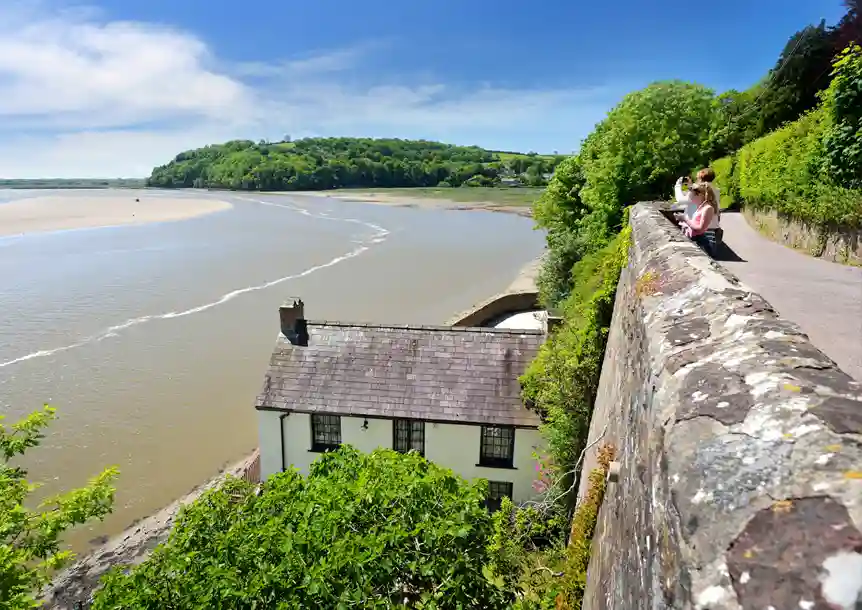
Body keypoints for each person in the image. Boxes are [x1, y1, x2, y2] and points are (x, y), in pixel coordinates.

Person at [675, 181, 720, 256]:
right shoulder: (701, 207)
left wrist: (685, 218)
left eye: (692, 196)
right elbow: (694, 224)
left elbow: (700, 229)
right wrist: (682, 220)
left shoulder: (708, 208)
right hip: (696, 240)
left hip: (701, 244)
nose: (690, 199)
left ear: (700, 195)